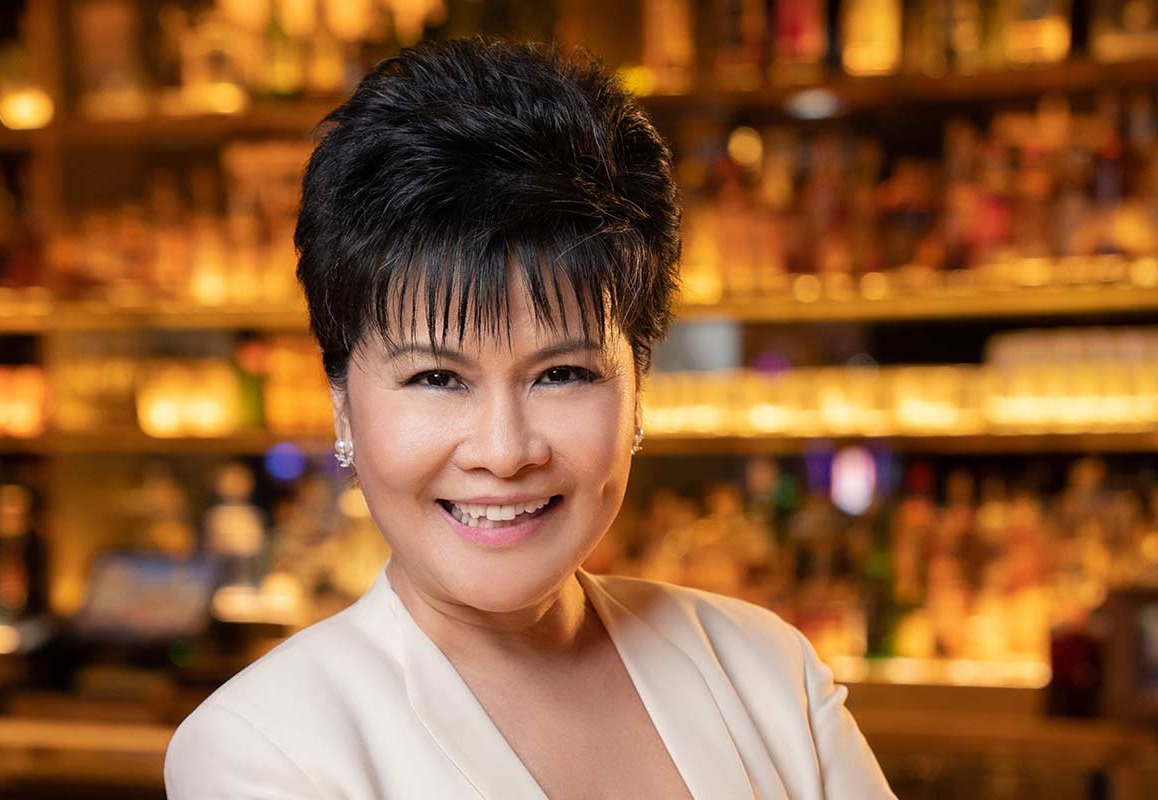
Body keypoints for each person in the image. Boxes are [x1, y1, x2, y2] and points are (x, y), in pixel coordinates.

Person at [163, 37, 895, 799]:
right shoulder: (264, 750)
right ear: (342, 402)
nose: (504, 452)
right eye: (437, 377)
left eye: (562, 374)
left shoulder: (765, 674)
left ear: (637, 391)